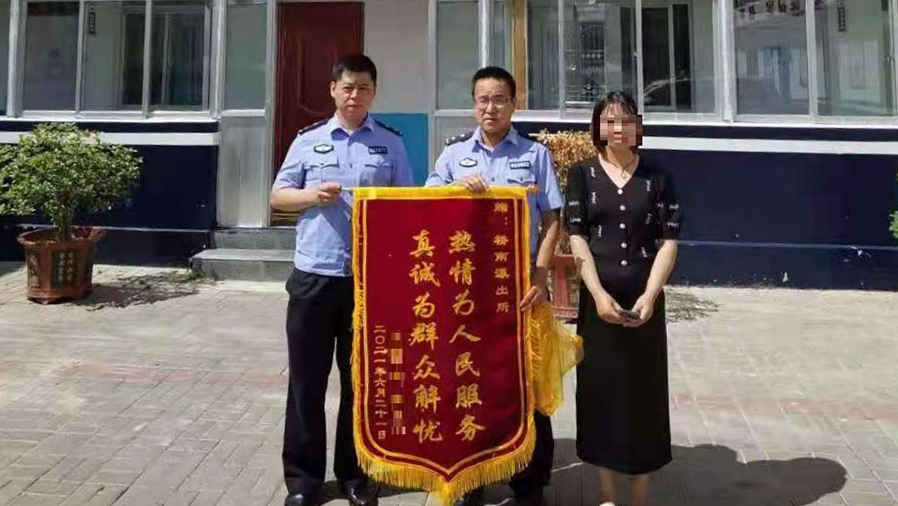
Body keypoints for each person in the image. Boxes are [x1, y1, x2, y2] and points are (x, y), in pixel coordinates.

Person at [270, 54, 414, 506]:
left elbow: (408, 207)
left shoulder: (390, 143)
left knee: (362, 384)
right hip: (314, 277)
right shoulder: (307, 140)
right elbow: (278, 197)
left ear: (374, 92)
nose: (355, 96)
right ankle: (303, 481)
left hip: (367, 283)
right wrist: (311, 195)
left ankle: (354, 476)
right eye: (348, 87)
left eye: (364, 88)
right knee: (306, 383)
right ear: (333, 89)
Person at [425, 66, 563, 506]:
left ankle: (528, 481)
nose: (491, 108)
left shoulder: (535, 155)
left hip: (520, 286)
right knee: (470, 379)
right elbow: (425, 207)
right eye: (483, 100)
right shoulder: (452, 155)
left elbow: (552, 220)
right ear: (473, 105)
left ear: (513, 104)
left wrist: (540, 278)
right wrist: (453, 189)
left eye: (499, 99)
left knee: (524, 383)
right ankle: (472, 477)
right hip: (467, 291)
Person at [563, 90, 682, 506]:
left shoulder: (658, 178)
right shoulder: (582, 175)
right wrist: (596, 294)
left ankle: (640, 495)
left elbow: (669, 242)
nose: (617, 128)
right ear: (597, 127)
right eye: (609, 120)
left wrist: (651, 295)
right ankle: (608, 496)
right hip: (598, 302)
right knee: (601, 390)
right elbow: (577, 238)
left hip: (644, 300)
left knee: (643, 391)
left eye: (626, 120)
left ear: (637, 127)